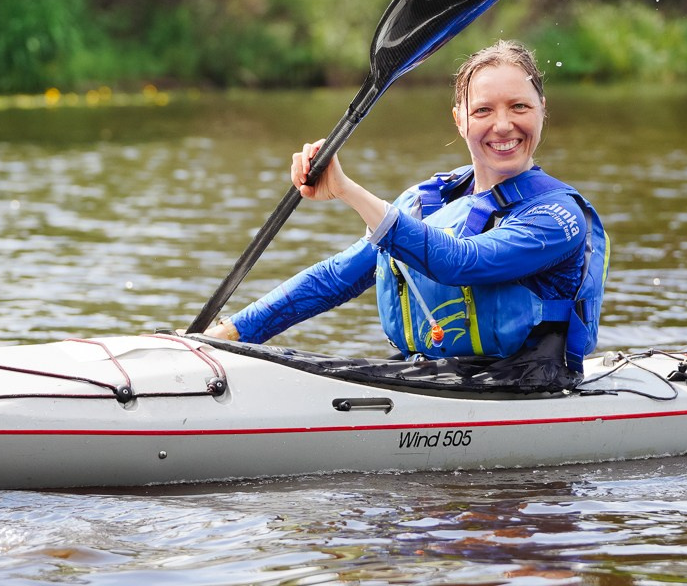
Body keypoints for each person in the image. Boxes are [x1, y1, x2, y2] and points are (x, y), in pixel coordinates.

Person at [205, 40, 607, 377]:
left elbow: (461, 262)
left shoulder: (558, 216)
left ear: (542, 110)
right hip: (434, 377)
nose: (503, 125)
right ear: (460, 120)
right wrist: (226, 336)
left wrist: (348, 191)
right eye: (483, 110)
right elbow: (336, 278)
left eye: (519, 107)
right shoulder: (428, 201)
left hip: (532, 384)